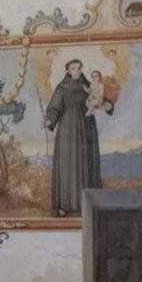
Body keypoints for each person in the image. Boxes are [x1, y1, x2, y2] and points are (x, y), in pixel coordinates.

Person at [43, 58, 101, 216]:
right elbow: (55, 107)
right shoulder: (61, 88)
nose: (77, 70)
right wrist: (50, 119)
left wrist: (105, 103)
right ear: (68, 70)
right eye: (73, 68)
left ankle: (88, 204)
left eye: (79, 68)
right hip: (68, 128)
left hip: (87, 127)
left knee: (85, 161)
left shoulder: (87, 87)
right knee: (68, 162)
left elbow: (99, 98)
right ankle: (65, 204)